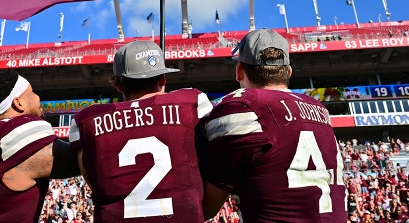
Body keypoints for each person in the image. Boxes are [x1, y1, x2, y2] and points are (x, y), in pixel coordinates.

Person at [198, 29, 348, 222]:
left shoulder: (242, 105)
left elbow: (207, 208)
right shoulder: (319, 109)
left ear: (239, 71)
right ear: (289, 72)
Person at [69, 40, 213, 222]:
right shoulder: (192, 101)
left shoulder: (86, 120)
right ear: (163, 79)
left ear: (118, 86)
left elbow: (94, 182)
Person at [0, 70, 79, 223]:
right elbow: (83, 159)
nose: (38, 97)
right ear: (18, 103)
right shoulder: (15, 130)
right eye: (32, 92)